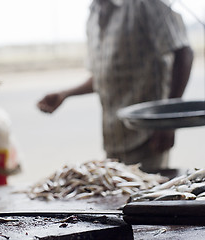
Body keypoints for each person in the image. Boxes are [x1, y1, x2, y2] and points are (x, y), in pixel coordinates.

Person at [37, 0, 193, 172]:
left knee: (146, 193)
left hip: (148, 138)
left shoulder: (144, 4)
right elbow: (106, 75)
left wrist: (168, 121)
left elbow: (183, 54)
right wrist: (65, 93)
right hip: (114, 138)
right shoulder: (94, 13)